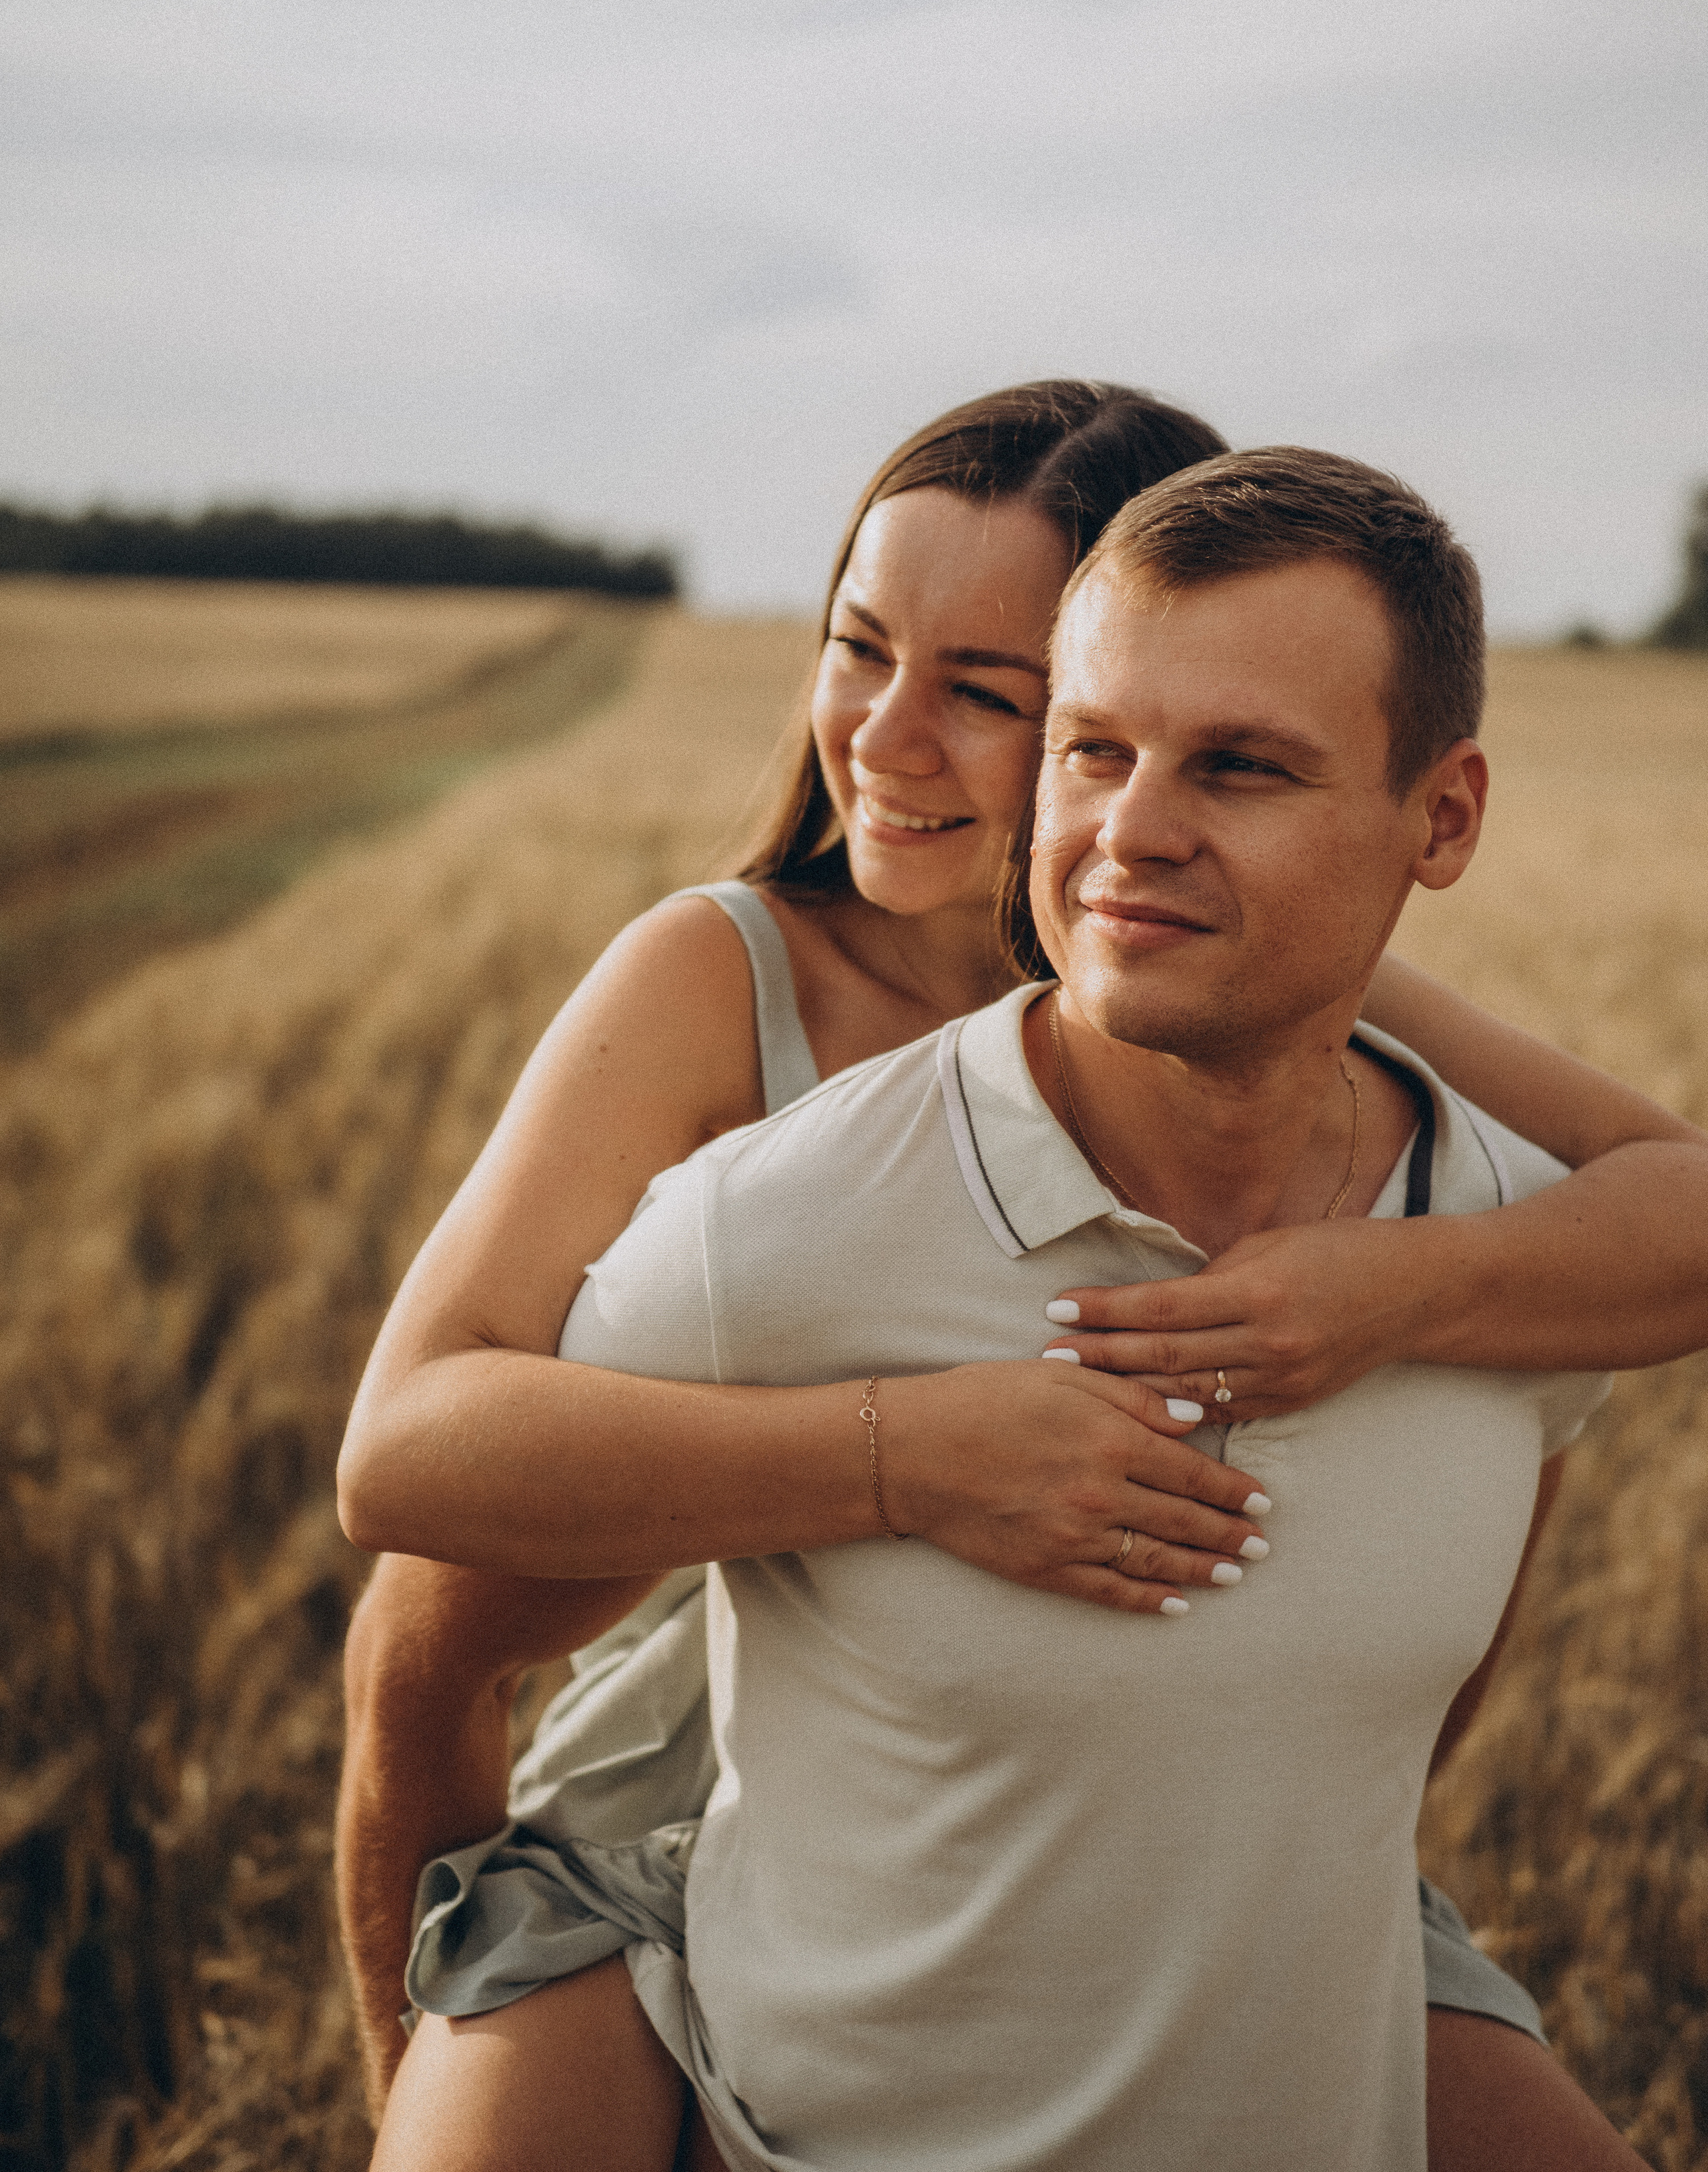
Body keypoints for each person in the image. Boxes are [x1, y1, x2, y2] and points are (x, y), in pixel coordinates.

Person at [336, 390, 1707, 2168]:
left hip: (1138, 1825)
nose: (886, 737)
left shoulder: (1271, 979)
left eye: (983, 693)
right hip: (694, 1790)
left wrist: (1396, 1291)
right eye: (858, 649)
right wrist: (912, 1459)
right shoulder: (727, 1004)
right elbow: (417, 1494)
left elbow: (1665, 1199)